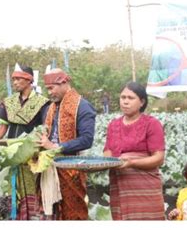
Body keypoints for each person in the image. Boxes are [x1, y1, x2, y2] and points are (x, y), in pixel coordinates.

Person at [0, 64, 50, 220]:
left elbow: (44, 129)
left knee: (34, 191)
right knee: (15, 191)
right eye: (13, 79)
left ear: (29, 80)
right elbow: (2, 129)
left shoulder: (42, 103)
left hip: (32, 155)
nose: (14, 82)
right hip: (13, 154)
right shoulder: (8, 103)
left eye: (18, 79)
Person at [39, 68, 96, 220]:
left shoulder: (82, 106)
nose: (49, 92)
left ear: (64, 82)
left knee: (74, 213)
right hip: (50, 168)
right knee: (53, 213)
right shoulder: (49, 108)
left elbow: (87, 139)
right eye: (47, 89)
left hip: (72, 169)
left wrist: (56, 147)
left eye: (52, 88)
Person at [103, 82, 165, 220]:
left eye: (130, 98)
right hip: (119, 186)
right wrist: (107, 161)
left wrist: (131, 162)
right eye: (122, 97)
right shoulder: (113, 125)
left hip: (145, 188)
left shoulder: (151, 124)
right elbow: (107, 151)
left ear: (142, 102)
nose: (125, 101)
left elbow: (159, 158)